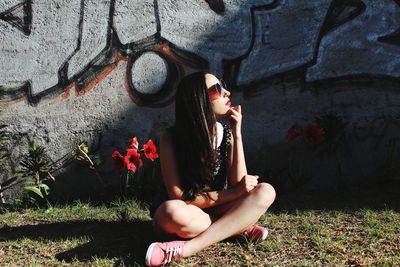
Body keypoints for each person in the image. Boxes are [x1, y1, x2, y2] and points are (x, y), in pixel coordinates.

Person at [145, 72, 276, 266]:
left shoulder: (226, 134)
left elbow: (239, 185)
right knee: (170, 211)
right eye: (217, 89)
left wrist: (236, 133)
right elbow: (179, 196)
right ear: (199, 100)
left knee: (266, 191)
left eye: (223, 86)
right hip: (185, 213)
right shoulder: (171, 139)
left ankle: (186, 249)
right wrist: (236, 196)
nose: (227, 92)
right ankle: (237, 226)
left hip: (215, 208)